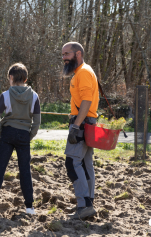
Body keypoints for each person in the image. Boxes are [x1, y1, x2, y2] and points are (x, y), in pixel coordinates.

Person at [0, 63, 41, 215]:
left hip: (8, 133)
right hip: (24, 134)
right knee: (25, 171)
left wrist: (1, 132)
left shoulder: (6, 95)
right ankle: (29, 207)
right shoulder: (34, 96)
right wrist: (29, 136)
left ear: (11, 77)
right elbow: (36, 122)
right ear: (26, 79)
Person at [62, 42, 99, 219]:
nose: (64, 58)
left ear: (78, 54)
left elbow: (86, 102)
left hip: (82, 123)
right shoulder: (83, 71)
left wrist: (76, 125)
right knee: (85, 163)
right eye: (62, 55)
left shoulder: (83, 72)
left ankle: (84, 205)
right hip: (87, 122)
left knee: (72, 163)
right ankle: (88, 204)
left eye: (67, 54)